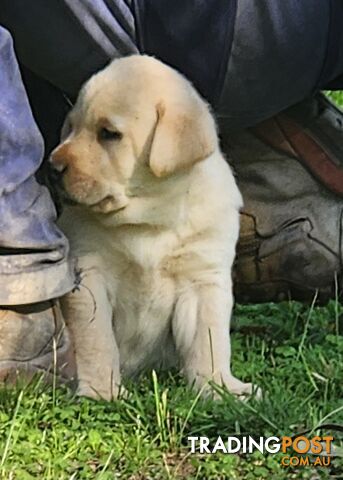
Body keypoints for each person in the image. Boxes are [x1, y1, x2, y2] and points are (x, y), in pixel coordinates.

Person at [0, 0, 342, 382]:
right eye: (72, 127)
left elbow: (203, 292)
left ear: (173, 146)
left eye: (108, 134)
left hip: (238, 35)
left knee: (202, 281)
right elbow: (87, 285)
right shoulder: (93, 211)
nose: (63, 157)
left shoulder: (211, 202)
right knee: (89, 272)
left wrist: (213, 379)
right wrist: (98, 383)